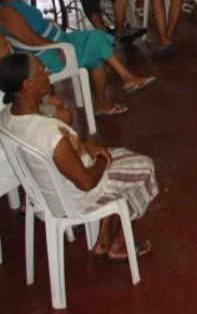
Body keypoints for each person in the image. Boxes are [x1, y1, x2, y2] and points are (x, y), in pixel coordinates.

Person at [0, 53, 158, 263]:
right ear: (27, 84)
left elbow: (59, 148)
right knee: (145, 168)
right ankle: (119, 245)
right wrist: (102, 160)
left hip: (46, 188)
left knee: (122, 155)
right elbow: (86, 182)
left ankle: (104, 239)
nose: (48, 73)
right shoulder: (48, 133)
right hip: (75, 197)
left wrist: (85, 147)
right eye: (41, 71)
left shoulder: (9, 114)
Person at [0, 0, 156, 116]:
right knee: (96, 42)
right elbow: (30, 39)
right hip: (49, 55)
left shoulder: (16, 5)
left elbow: (31, 25)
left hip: (59, 42)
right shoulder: (7, 12)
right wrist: (56, 47)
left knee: (96, 47)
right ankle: (125, 82)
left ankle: (108, 99)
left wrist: (48, 23)